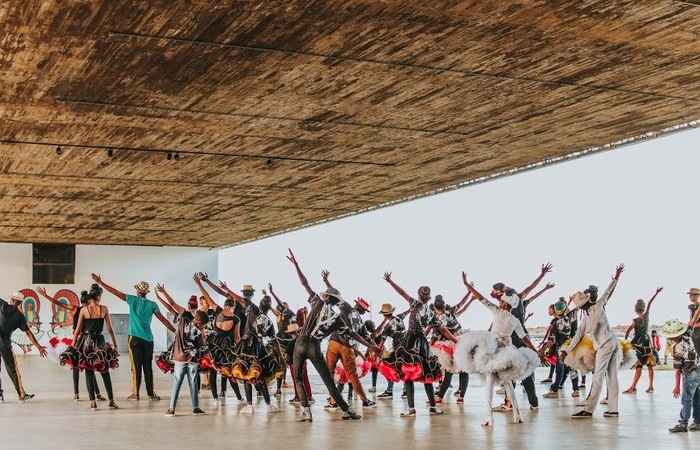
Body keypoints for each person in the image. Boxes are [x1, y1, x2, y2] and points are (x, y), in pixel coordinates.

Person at [286, 249, 378, 422]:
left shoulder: (317, 302)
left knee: (298, 378)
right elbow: (351, 334)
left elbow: (304, 283)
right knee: (328, 380)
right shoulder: (336, 319)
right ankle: (347, 410)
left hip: (300, 343)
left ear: (326, 297)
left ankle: (306, 411)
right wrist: (369, 345)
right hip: (315, 345)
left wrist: (296, 265)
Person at [456, 273, 545, 426]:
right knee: (507, 382)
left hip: (491, 349)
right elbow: (525, 339)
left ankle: (489, 416)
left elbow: (481, 298)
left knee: (490, 382)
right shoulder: (515, 320)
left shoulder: (497, 312)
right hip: (506, 350)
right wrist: (536, 352)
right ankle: (517, 414)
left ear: (504, 303)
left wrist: (467, 285)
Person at [382, 272, 458, 417]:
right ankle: (433, 407)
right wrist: (455, 340)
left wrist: (390, 281)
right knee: (426, 374)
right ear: (429, 298)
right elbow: (443, 329)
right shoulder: (430, 313)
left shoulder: (414, 304)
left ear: (418, 295)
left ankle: (411, 409)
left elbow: (402, 292)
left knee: (408, 374)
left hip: (410, 341)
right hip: (421, 343)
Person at [91, 274, 176, 401]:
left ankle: (135, 394)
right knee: (147, 367)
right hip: (148, 339)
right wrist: (175, 331)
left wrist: (101, 282)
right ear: (146, 292)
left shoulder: (132, 300)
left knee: (136, 367)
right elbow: (163, 320)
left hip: (134, 339)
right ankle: (151, 394)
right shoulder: (153, 305)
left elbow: (115, 292)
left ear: (137, 291)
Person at [561, 264, 625, 419]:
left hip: (605, 345)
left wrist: (566, 352)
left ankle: (589, 410)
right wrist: (617, 276)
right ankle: (613, 409)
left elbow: (578, 336)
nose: (581, 308)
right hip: (613, 341)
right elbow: (608, 291)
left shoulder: (592, 312)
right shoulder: (598, 305)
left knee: (598, 377)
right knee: (612, 377)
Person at [490, 264, 553, 412]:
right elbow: (532, 288)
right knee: (526, 371)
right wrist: (542, 276)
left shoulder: (505, 305)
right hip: (523, 336)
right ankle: (534, 402)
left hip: (510, 339)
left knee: (508, 370)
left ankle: (509, 403)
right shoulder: (520, 299)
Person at [38, 286, 106, 402]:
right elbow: (60, 304)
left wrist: (46, 296)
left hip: (79, 338)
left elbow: (59, 303)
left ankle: (77, 393)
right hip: (84, 338)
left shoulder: (76, 309)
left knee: (77, 366)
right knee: (89, 366)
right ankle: (96, 393)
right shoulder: (90, 309)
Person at [224, 284, 283, 414]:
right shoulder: (269, 322)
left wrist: (228, 289)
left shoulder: (253, 310)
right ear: (269, 308)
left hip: (246, 346)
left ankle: (250, 406)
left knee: (245, 374)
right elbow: (275, 342)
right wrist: (280, 358)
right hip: (259, 348)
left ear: (260, 306)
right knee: (260, 376)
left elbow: (239, 300)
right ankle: (268, 405)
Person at [321, 271, 376, 409]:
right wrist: (374, 348)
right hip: (348, 347)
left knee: (331, 374)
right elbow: (367, 338)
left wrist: (326, 281)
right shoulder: (361, 322)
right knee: (352, 376)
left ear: (356, 305)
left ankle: (333, 402)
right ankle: (364, 400)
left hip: (334, 343)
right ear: (364, 311)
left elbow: (335, 296)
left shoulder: (347, 309)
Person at [61, 286, 119, 411]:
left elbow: (77, 330)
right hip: (99, 341)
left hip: (86, 341)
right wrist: (116, 346)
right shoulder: (104, 309)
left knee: (89, 371)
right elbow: (110, 329)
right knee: (104, 370)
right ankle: (111, 401)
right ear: (98, 297)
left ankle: (93, 403)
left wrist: (73, 344)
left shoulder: (84, 310)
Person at [157, 285, 209, 417]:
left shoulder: (184, 317)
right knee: (193, 383)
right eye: (203, 325)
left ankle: (171, 409)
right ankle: (196, 408)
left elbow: (172, 304)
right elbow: (201, 347)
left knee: (177, 383)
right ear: (200, 322)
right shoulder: (198, 332)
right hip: (192, 359)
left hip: (179, 357)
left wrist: (163, 292)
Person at [0, 292, 47, 403]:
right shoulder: (20, 316)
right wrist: (39, 347)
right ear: (20, 303)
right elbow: (28, 333)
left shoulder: (2, 305)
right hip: (4, 343)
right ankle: (21, 394)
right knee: (12, 370)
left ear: (12, 299)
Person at [429, 292, 474, 405]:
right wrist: (469, 292)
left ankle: (439, 397)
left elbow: (435, 335)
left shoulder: (437, 320)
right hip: (462, 339)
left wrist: (429, 346)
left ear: (434, 308)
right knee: (463, 369)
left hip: (452, 343)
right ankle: (461, 397)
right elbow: (462, 303)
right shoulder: (451, 311)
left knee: (449, 370)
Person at [661, 319, 700, 433]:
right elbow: (692, 323)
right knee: (697, 398)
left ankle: (683, 424)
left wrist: (677, 386)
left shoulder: (677, 348)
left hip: (689, 373)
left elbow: (678, 370)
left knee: (686, 400)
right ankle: (697, 422)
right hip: (698, 369)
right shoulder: (687, 336)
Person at [623, 286, 663, 394]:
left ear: (635, 310)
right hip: (647, 342)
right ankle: (650, 386)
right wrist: (656, 293)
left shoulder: (635, 320)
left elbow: (628, 331)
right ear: (644, 309)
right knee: (650, 365)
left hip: (638, 343)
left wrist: (626, 341)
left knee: (639, 366)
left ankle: (633, 387)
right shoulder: (646, 316)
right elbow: (650, 303)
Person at [541, 300, 579, 398]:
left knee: (559, 369)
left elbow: (550, 341)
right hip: (571, 346)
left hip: (561, 349)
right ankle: (576, 389)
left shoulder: (556, 325)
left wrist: (543, 352)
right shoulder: (569, 317)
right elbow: (576, 309)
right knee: (572, 368)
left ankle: (555, 390)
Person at [374, 303, 409, 399]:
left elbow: (382, 341)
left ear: (384, 315)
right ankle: (406, 391)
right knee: (405, 368)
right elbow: (407, 312)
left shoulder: (387, 327)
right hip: (406, 348)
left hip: (397, 349)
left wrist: (378, 354)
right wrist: (412, 308)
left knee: (389, 368)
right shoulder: (399, 317)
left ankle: (389, 391)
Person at [268, 283, 296, 396]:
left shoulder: (288, 314)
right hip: (287, 340)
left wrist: (272, 293)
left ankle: (279, 388)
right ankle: (280, 387)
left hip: (284, 340)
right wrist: (271, 293)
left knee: (281, 364)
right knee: (284, 364)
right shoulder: (286, 315)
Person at [285, 323, 314, 404]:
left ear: (289, 333)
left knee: (297, 381)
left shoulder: (290, 343)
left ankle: (298, 397)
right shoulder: (303, 341)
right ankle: (309, 396)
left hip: (293, 364)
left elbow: (287, 356)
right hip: (303, 363)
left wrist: (285, 361)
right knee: (305, 379)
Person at [688, 288, 700, 356]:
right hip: (694, 333)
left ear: (697, 296)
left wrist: (694, 325)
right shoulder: (692, 307)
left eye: (691, 295)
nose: (689, 296)